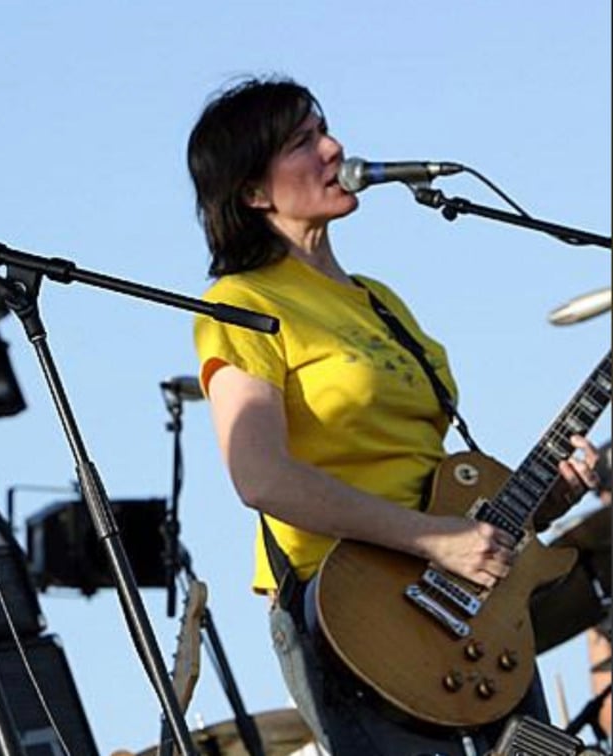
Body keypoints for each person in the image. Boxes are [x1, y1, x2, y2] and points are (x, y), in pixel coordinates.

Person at [187, 76, 603, 754]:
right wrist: (434, 541)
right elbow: (260, 477)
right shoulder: (241, 302)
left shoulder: (380, 300)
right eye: (303, 142)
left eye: (324, 129)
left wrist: (536, 504)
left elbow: (437, 480)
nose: (335, 146)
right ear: (254, 193)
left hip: (468, 604)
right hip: (352, 607)